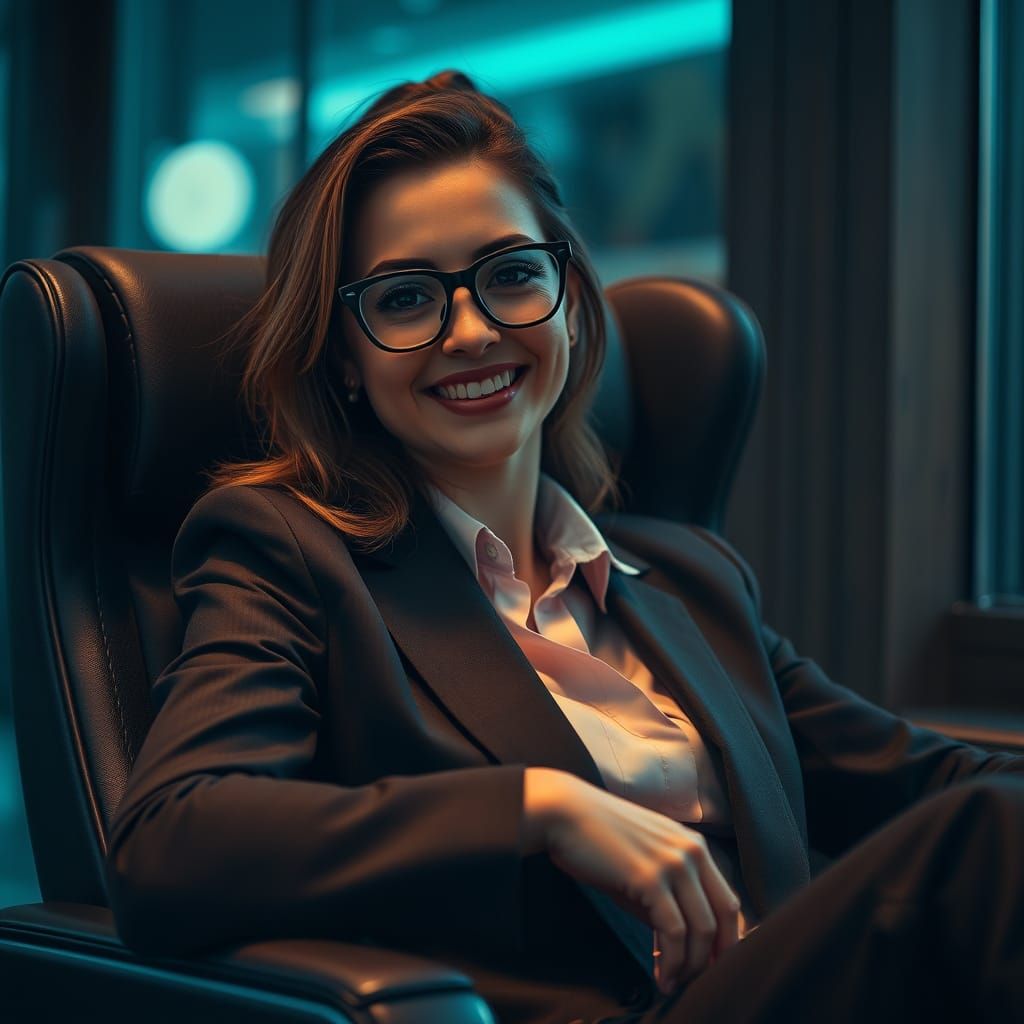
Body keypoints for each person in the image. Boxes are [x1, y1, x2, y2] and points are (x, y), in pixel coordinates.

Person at [104, 70, 1024, 1024]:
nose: (471, 331)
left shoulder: (691, 577)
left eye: (510, 275)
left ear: (571, 300)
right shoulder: (288, 555)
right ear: (344, 353)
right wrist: (538, 809)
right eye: (407, 297)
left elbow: (926, 780)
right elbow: (170, 841)